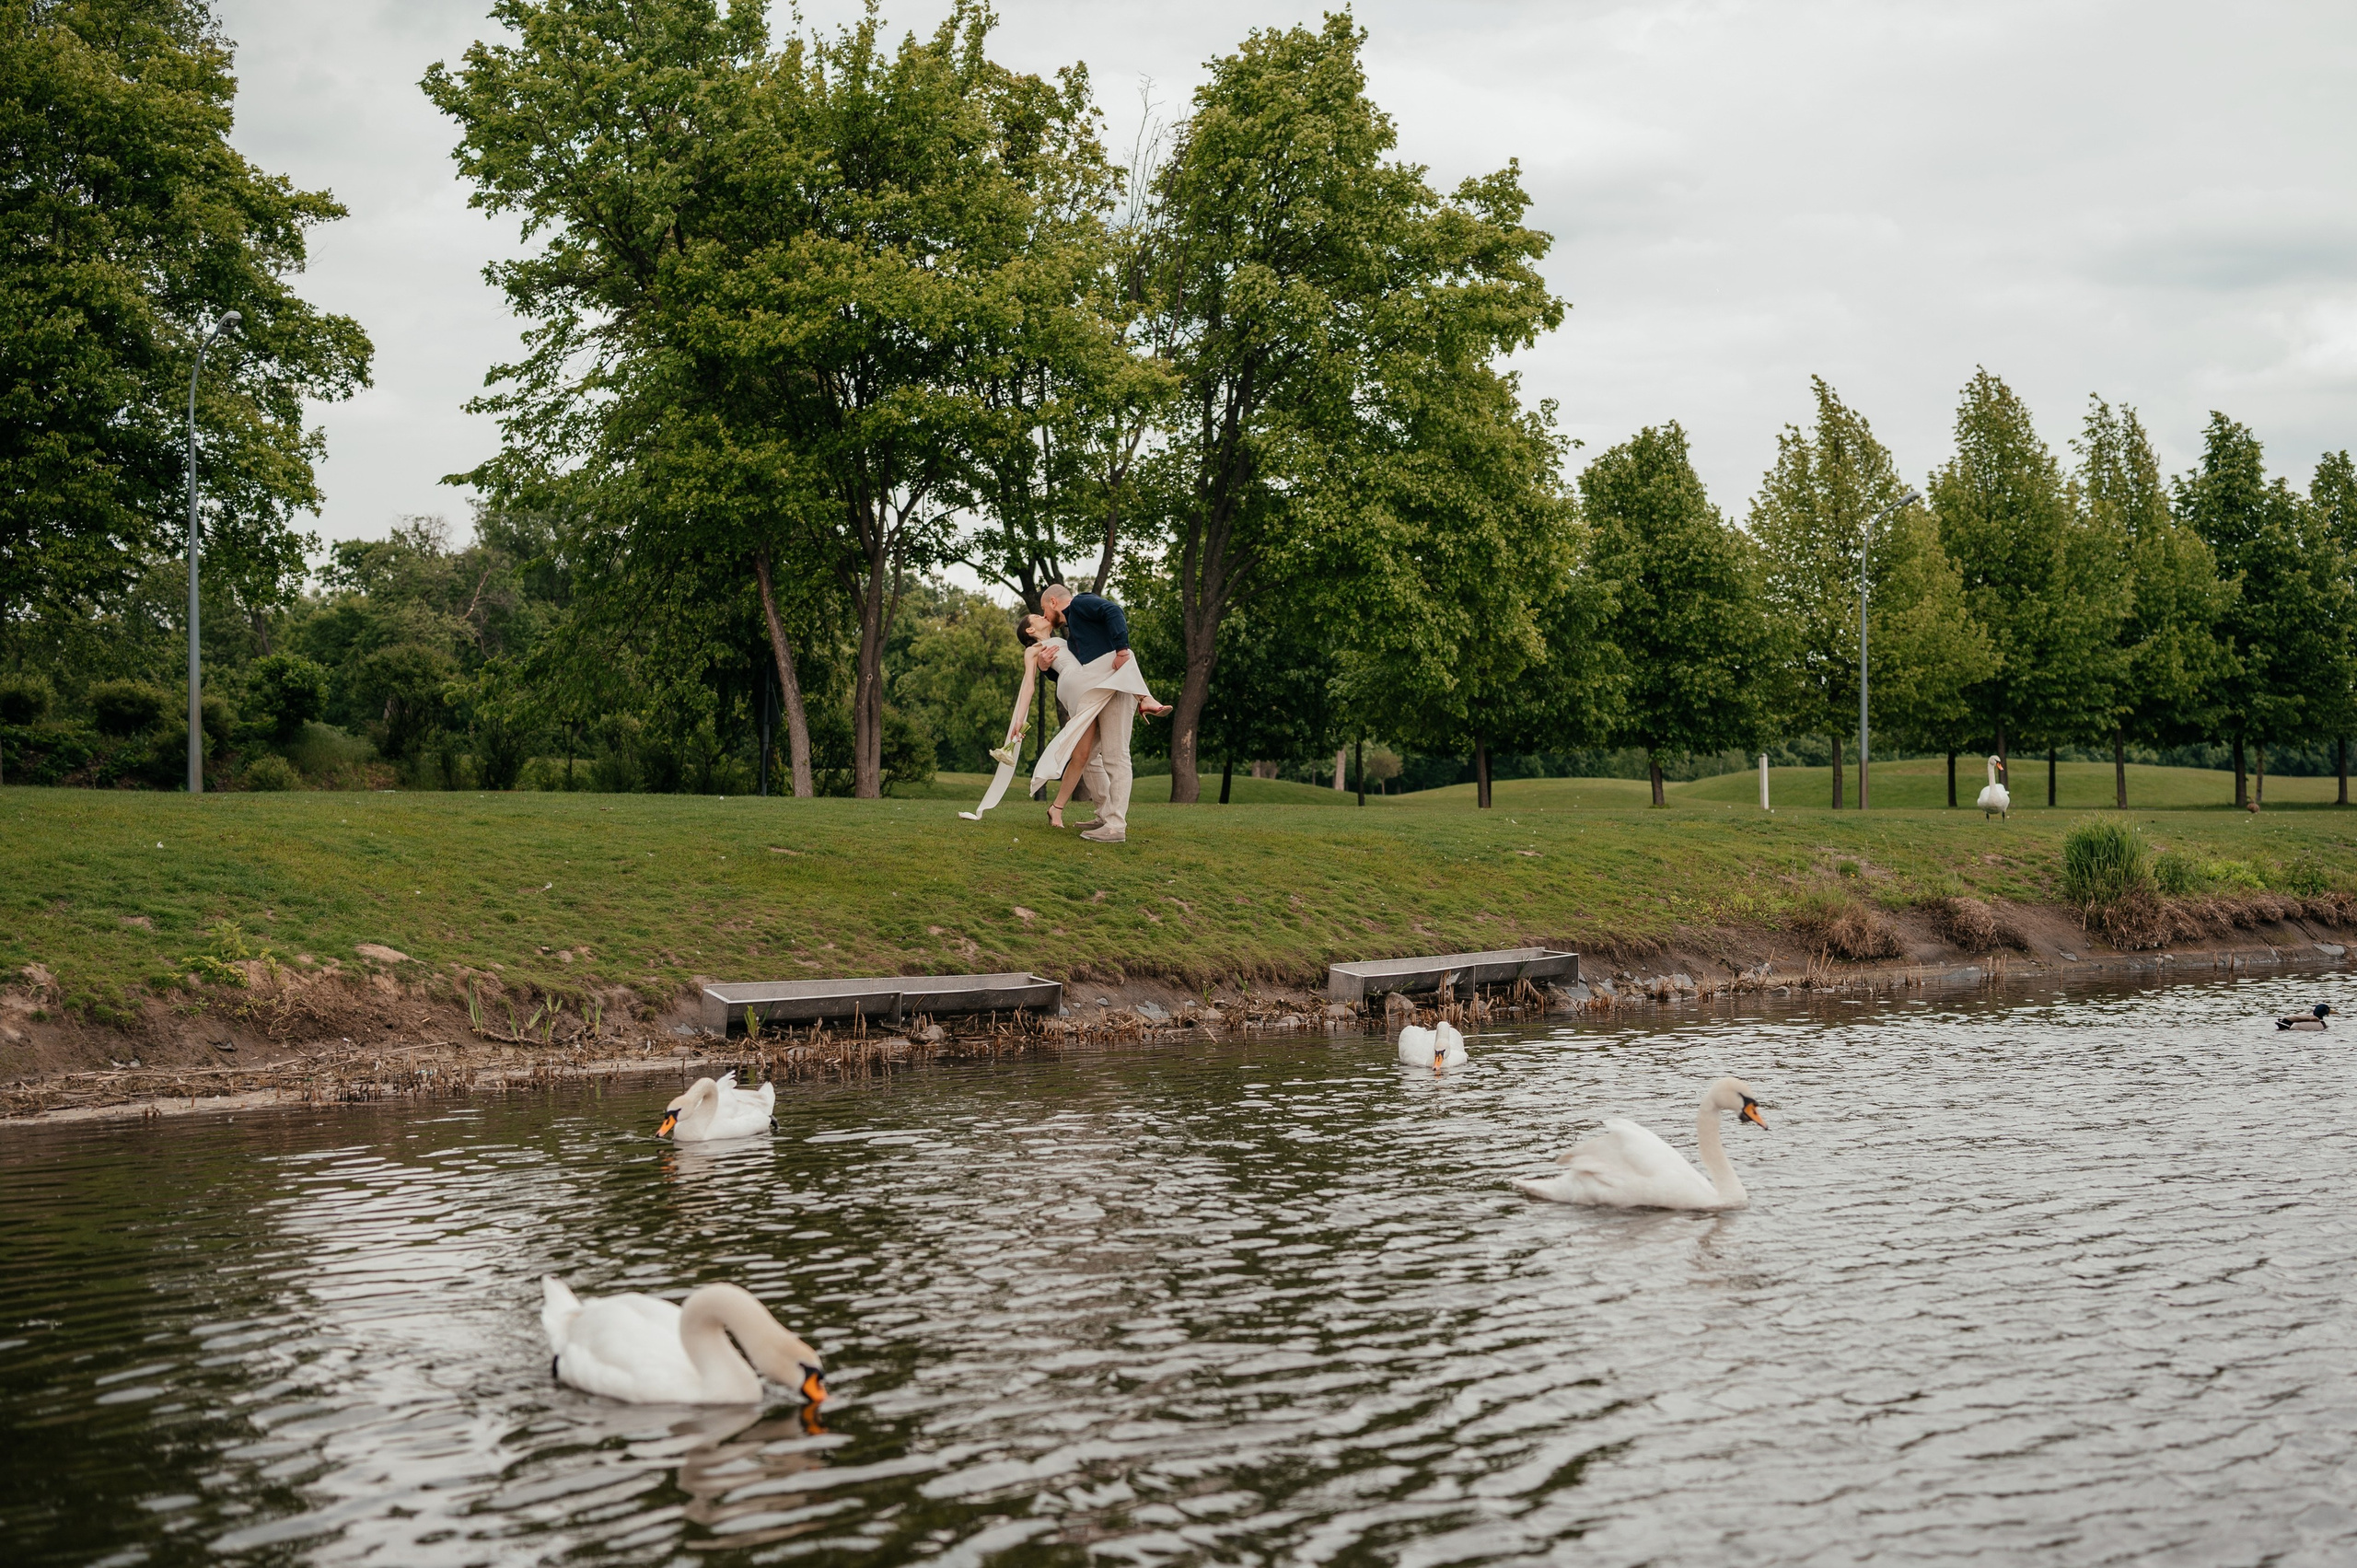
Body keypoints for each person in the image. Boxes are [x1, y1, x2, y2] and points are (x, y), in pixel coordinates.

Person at [1032, 586, 1166, 842]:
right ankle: (1105, 814)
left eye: (1044, 609)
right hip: (1099, 691)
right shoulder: (1072, 637)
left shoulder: (1081, 603)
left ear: (1053, 601)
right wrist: (1046, 668)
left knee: (1116, 756)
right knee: (1089, 756)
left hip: (1115, 686)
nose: (1046, 616)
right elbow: (1073, 674)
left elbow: (1113, 610)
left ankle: (1115, 826)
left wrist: (1122, 649)